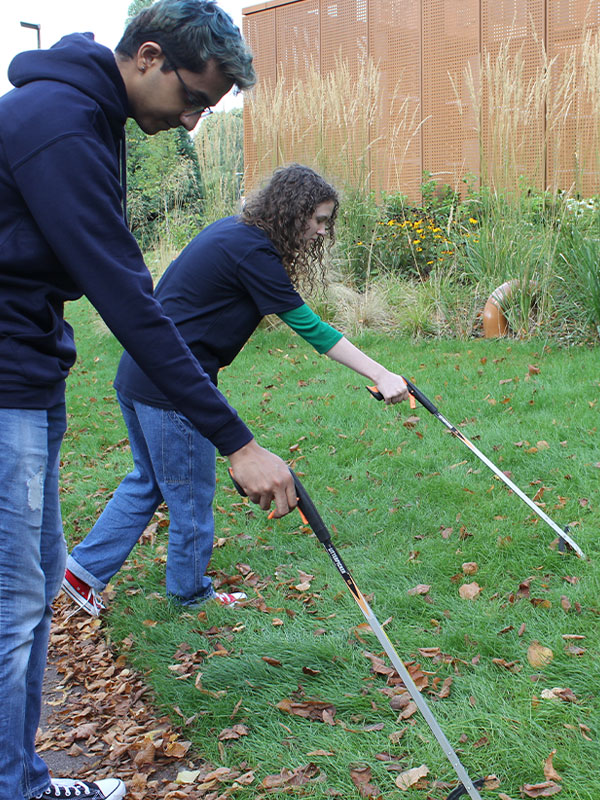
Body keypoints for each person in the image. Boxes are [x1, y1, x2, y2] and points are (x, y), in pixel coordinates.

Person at [0, 2, 299, 799]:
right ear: (149, 57)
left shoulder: (85, 116)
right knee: (14, 606)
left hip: (28, 374)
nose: (196, 122)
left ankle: (20, 779)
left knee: (30, 593)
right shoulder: (61, 122)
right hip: (4, 387)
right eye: (195, 99)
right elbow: (133, 305)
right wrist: (238, 442)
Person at [62, 164, 409, 619]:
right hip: (173, 389)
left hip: (141, 374)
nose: (323, 232)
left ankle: (81, 572)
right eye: (319, 220)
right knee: (190, 495)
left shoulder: (235, 233)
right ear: (294, 212)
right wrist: (382, 373)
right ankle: (190, 596)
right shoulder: (253, 251)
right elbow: (312, 329)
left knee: (149, 481)